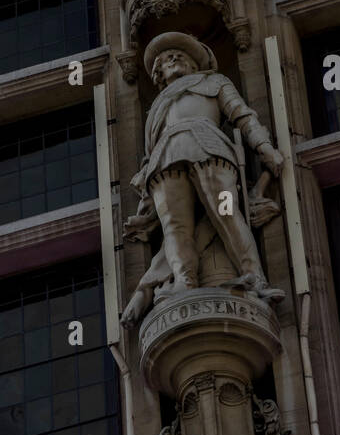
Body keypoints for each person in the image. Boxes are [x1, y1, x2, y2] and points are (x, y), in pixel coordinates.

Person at [121, 31, 285, 321]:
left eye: (180, 55)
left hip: (209, 148)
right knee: (174, 228)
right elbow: (149, 152)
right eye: (166, 57)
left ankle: (254, 278)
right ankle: (186, 283)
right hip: (165, 161)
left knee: (227, 214)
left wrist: (264, 148)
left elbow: (243, 116)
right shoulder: (155, 107)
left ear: (195, 64)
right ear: (159, 72)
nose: (173, 58)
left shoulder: (214, 82)